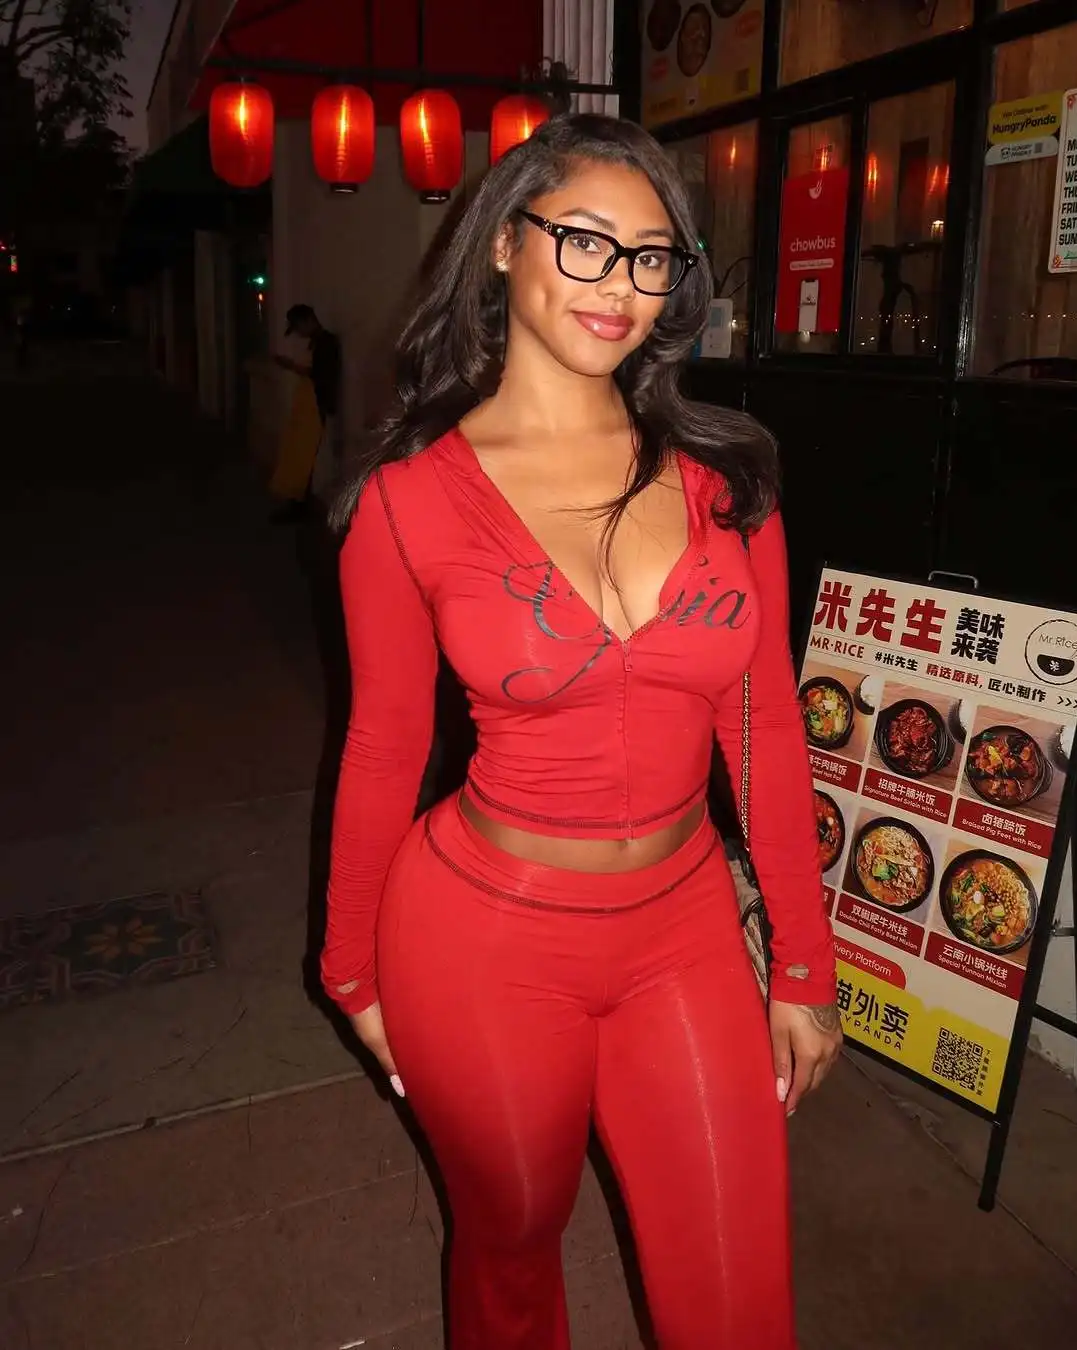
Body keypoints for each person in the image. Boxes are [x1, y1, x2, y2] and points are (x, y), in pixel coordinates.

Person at [322, 113, 840, 1350]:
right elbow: (383, 748)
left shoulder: (726, 481)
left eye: (652, 257)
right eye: (587, 242)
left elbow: (765, 724)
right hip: (479, 939)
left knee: (737, 1292)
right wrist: (349, 971)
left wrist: (806, 966)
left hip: (685, 929)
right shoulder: (405, 502)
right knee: (509, 1249)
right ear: (506, 242)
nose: (620, 285)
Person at [271, 303, 342, 521]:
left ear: (308, 320)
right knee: (298, 451)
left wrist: (291, 366)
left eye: (298, 328)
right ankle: (297, 500)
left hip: (315, 404)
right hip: (307, 403)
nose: (299, 334)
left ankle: (300, 504)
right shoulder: (316, 342)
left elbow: (321, 374)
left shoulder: (327, 343)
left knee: (305, 453)